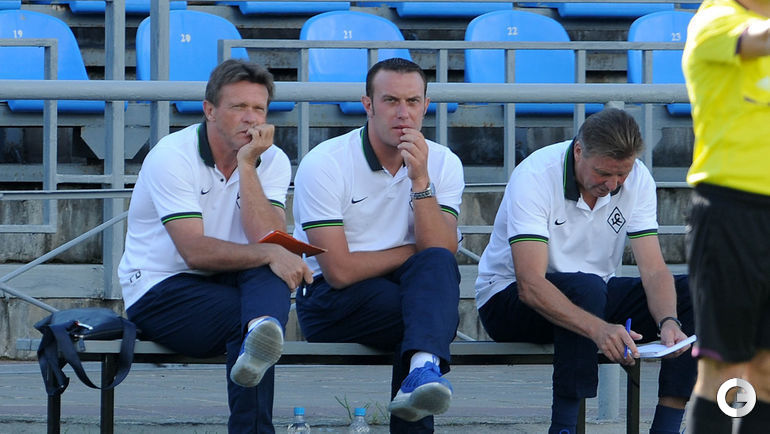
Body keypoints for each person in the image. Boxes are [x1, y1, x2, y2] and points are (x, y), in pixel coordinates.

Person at [118, 59, 312, 433]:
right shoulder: (173, 155)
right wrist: (272, 252)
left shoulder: (271, 159)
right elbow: (194, 251)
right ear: (209, 111)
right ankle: (260, 329)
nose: (250, 118)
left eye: (258, 108)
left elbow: (267, 237)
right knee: (251, 317)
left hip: (229, 281)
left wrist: (248, 166)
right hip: (160, 289)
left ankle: (260, 327)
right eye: (238, 107)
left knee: (262, 294)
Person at [474, 108, 697, 434]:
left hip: (593, 294)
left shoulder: (638, 179)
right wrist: (599, 330)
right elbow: (530, 283)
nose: (613, 184)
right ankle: (565, 428)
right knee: (585, 289)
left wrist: (668, 322)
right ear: (578, 150)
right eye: (603, 173)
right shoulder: (535, 175)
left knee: (694, 292)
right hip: (508, 300)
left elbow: (653, 270)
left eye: (622, 174)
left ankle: (666, 427)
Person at [291, 57, 464, 433]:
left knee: (431, 285)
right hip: (329, 301)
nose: (403, 113)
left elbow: (439, 253)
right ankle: (423, 369)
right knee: (429, 312)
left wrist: (420, 180)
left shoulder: (443, 162)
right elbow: (339, 271)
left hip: (403, 292)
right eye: (390, 101)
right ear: (368, 105)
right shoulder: (325, 163)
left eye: (413, 101)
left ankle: (422, 371)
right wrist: (413, 251)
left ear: (426, 105)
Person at [682, 1, 770, 432]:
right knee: (725, 371)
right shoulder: (715, 18)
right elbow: (759, 39)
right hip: (730, 211)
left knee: (766, 372)